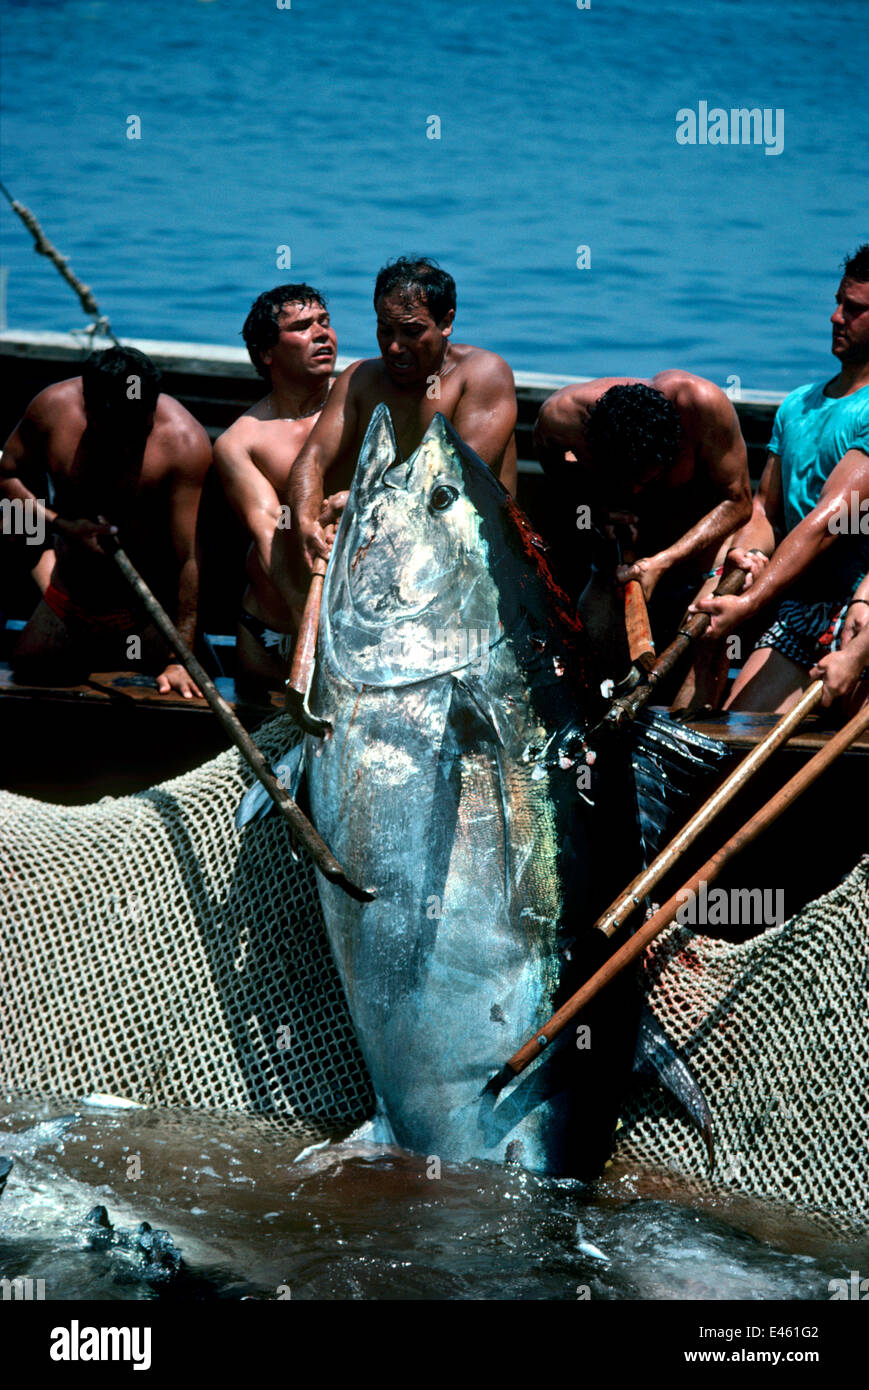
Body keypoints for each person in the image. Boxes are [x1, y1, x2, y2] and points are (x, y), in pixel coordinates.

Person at [693, 245, 869, 713]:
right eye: (836, 303)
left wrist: (749, 607)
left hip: (861, 610)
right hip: (799, 609)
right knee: (729, 728)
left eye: (854, 310)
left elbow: (827, 524)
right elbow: (765, 513)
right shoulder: (797, 405)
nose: (835, 318)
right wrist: (741, 559)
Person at [0, 346, 211, 696]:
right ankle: (38, 577)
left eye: (139, 429)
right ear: (89, 409)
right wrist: (58, 524)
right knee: (28, 675)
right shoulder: (52, 409)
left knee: (167, 693)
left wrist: (179, 657)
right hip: (68, 591)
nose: (127, 444)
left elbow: (190, 558)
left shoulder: (184, 444)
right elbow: (8, 477)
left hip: (143, 609)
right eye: (117, 431)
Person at [286, 257, 518, 574]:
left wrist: (362, 503)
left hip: (468, 557)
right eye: (385, 330)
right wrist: (305, 519)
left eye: (411, 331)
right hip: (384, 553)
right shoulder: (359, 379)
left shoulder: (483, 375)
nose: (395, 347)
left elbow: (454, 484)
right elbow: (311, 459)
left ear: (447, 322)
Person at [534, 370, 751, 706]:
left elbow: (739, 503)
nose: (634, 491)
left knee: (706, 638)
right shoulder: (560, 422)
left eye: (645, 480)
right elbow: (564, 490)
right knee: (594, 674)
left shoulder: (701, 407)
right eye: (622, 479)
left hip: (701, 565)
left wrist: (664, 561)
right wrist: (594, 514)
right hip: (616, 568)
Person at [213, 284, 338, 695]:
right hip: (271, 628)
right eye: (302, 327)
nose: (322, 333)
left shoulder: (360, 402)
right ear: (267, 353)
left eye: (325, 322)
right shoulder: (241, 442)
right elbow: (268, 530)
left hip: (353, 628)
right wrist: (309, 622)